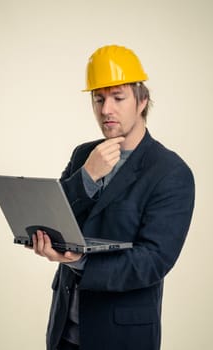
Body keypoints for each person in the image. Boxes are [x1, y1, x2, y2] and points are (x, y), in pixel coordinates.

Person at [31, 45, 195, 350]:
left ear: (142, 100)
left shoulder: (171, 172)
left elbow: (153, 261)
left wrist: (80, 261)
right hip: (64, 331)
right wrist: (86, 177)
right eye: (99, 98)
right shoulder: (84, 155)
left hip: (121, 336)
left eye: (118, 98)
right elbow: (57, 218)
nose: (106, 109)